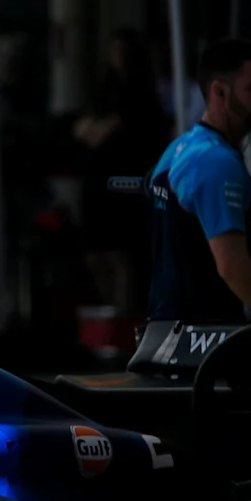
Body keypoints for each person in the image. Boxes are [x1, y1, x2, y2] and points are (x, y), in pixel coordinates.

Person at [148, 35, 251, 325]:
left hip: (166, 332)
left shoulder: (179, 148)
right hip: (204, 346)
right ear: (220, 92)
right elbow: (233, 268)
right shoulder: (217, 164)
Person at [73, 27, 168, 316]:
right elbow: (83, 129)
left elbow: (134, 129)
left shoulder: (143, 95)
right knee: (95, 254)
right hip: (98, 179)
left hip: (127, 179)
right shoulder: (104, 91)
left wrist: (105, 128)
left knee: (122, 252)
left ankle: (125, 314)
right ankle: (112, 307)